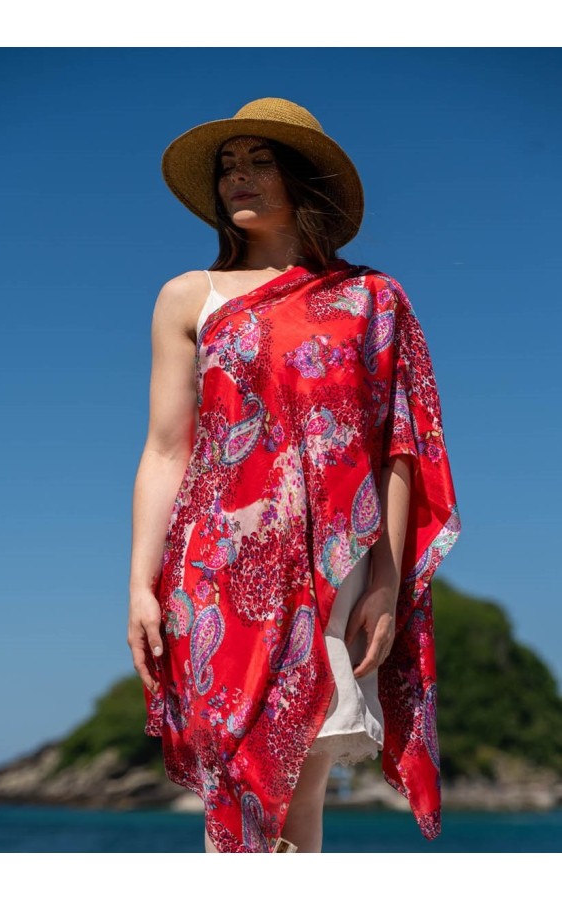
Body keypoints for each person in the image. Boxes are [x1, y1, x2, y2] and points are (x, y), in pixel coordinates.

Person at [127, 98, 461, 853]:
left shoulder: (372, 299)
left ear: (301, 178)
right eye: (227, 166)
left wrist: (386, 582)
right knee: (228, 767)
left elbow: (397, 450)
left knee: (297, 776)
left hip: (327, 563)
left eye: (260, 162)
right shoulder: (188, 296)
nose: (237, 178)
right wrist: (139, 584)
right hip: (212, 566)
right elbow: (166, 450)